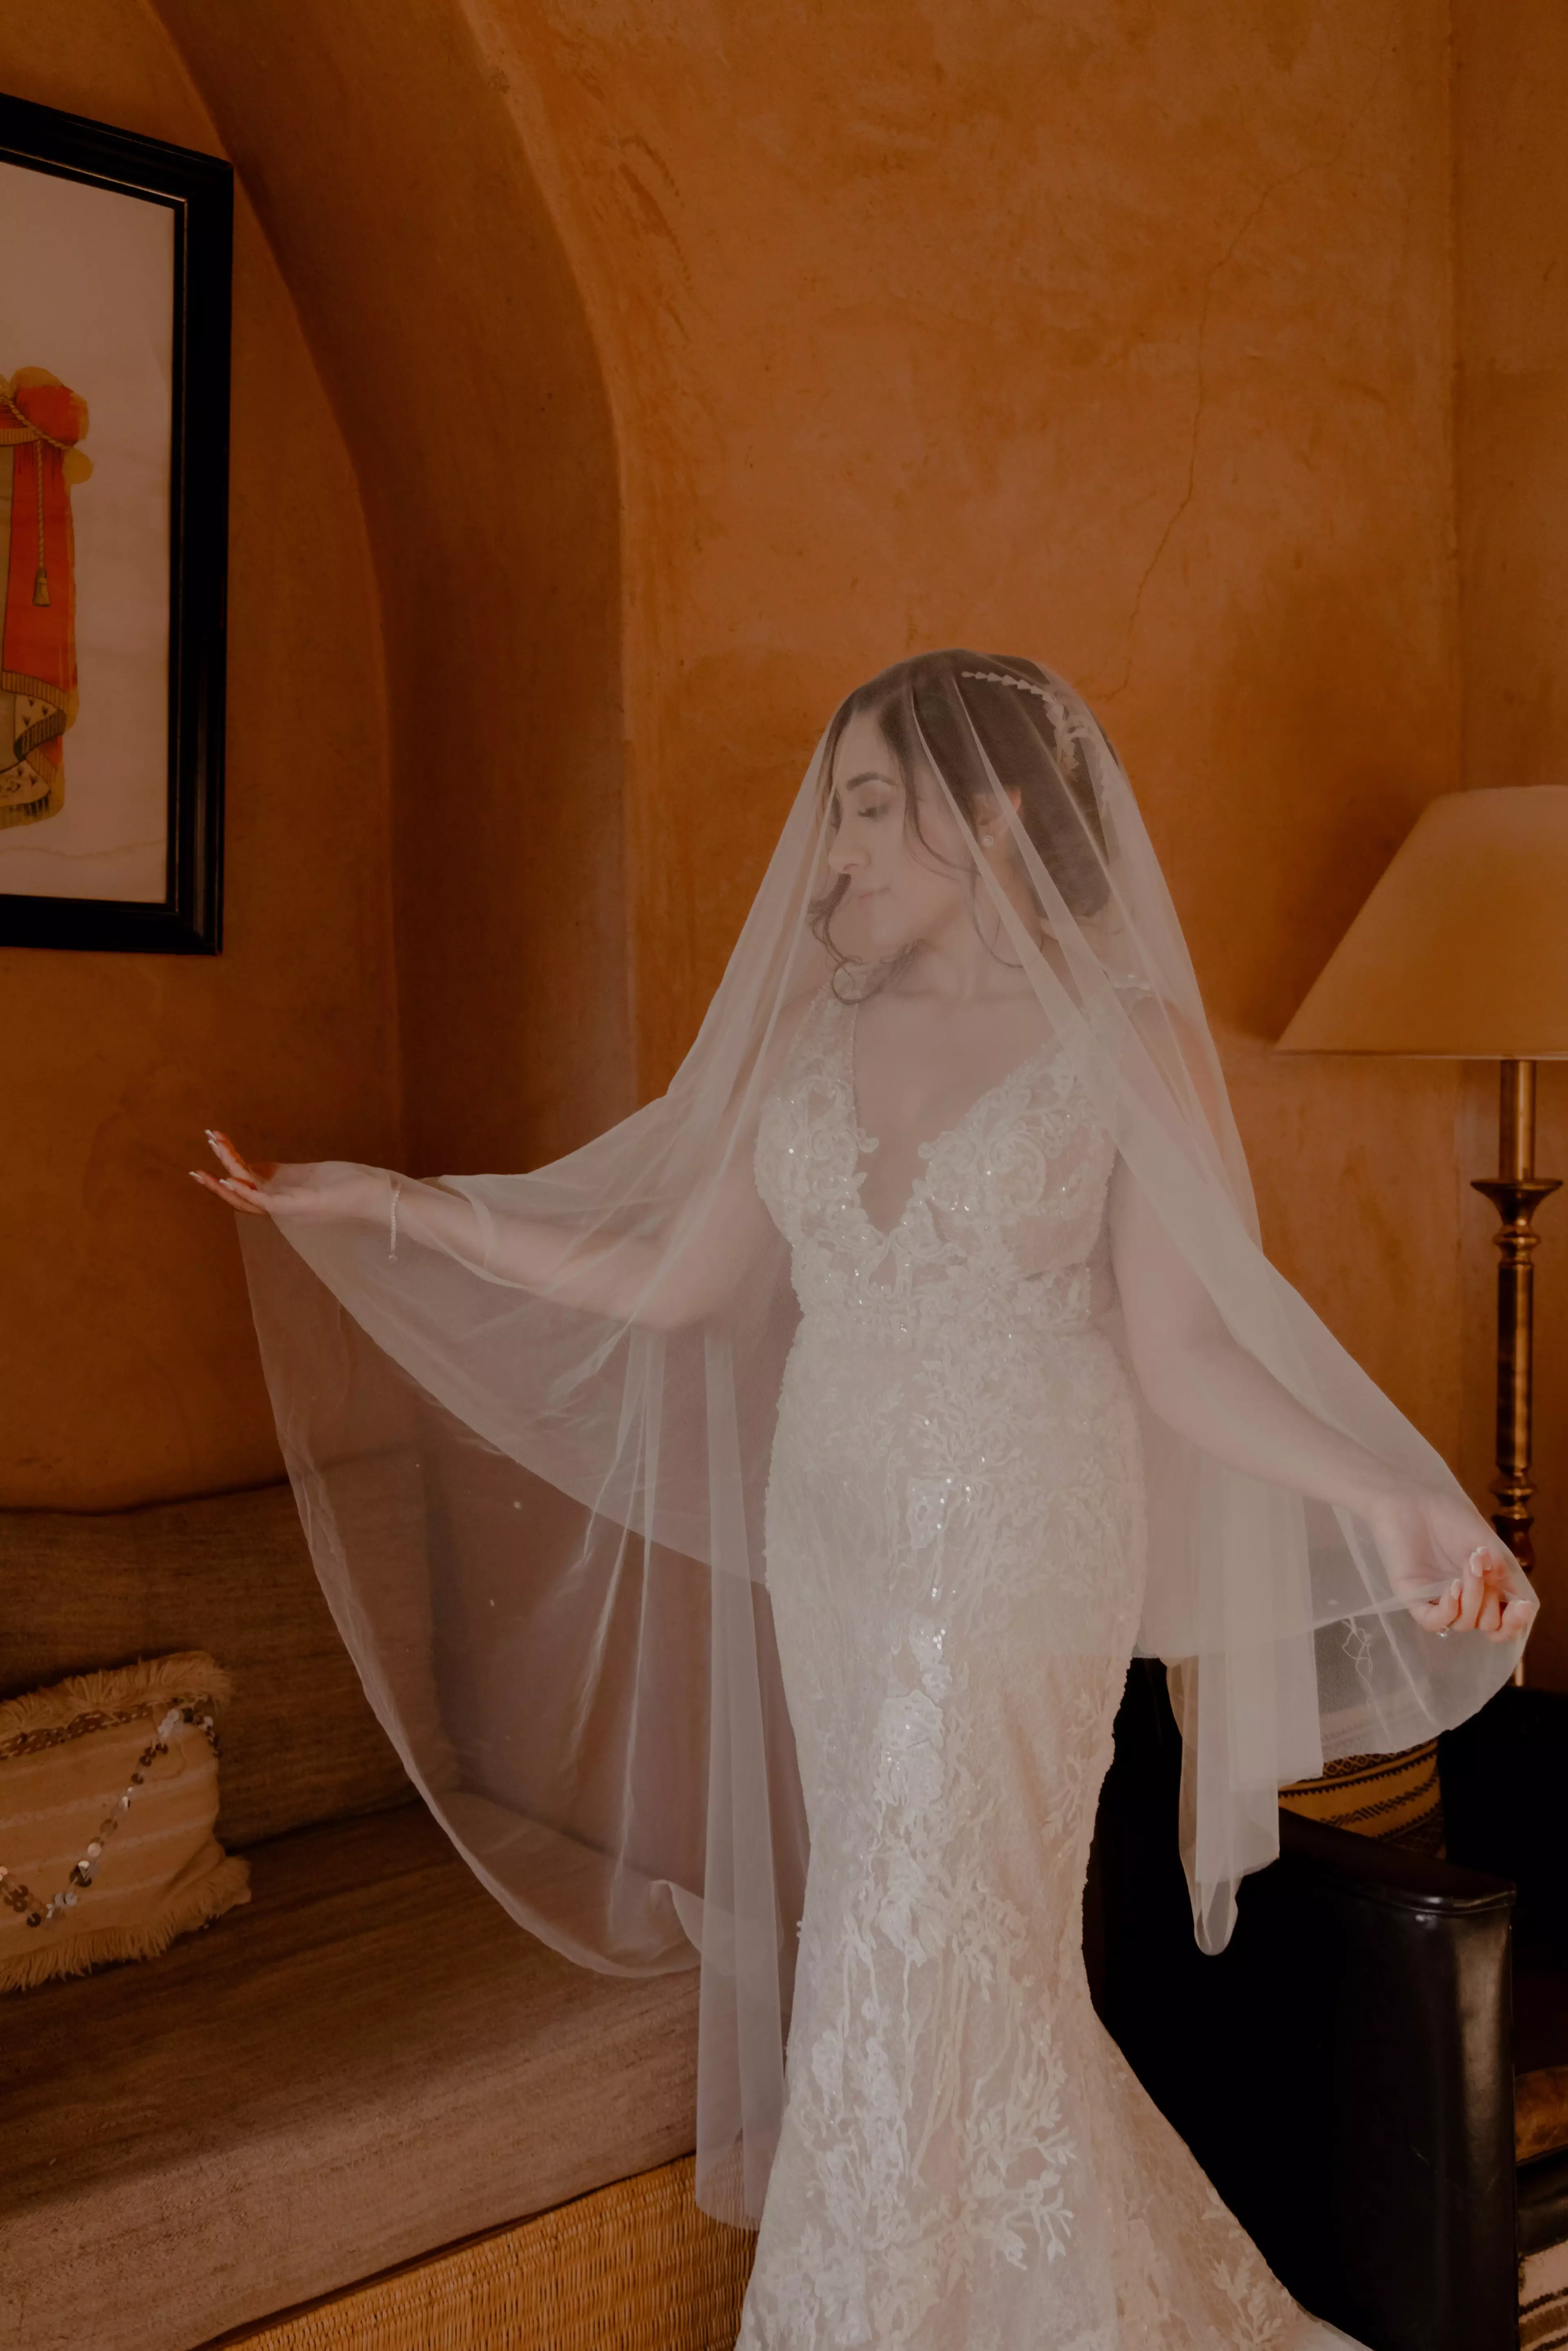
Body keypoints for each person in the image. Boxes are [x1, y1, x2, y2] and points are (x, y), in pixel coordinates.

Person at [197, 651, 1534, 2349]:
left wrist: (1395, 1499)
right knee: (907, 1943)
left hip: (1014, 1540)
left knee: (927, 1922)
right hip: (832, 1535)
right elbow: (676, 1279)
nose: (830, 852)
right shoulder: (814, 1039)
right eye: (836, 810)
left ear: (988, 814)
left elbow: (1189, 1352)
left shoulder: (1120, 1039)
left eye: (871, 806)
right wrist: (397, 1203)